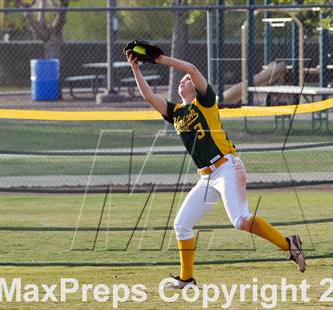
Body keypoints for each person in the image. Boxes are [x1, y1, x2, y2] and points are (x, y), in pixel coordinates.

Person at [125, 49, 306, 289]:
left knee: (240, 220)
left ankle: (289, 244)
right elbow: (149, 96)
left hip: (227, 167)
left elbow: (191, 69)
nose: (184, 80)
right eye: (182, 80)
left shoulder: (206, 102)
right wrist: (135, 67)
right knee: (181, 224)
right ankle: (186, 279)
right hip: (206, 177)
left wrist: (161, 60)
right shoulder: (177, 112)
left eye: (187, 81)